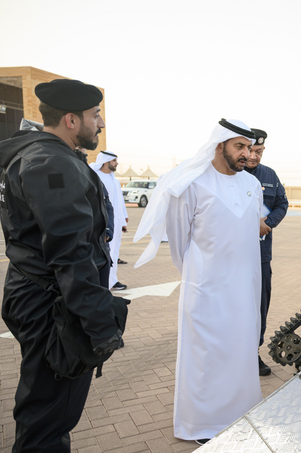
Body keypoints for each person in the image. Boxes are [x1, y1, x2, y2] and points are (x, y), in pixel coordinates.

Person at [0, 79, 122, 452]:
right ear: (71, 119)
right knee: (49, 418)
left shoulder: (44, 155)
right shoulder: (51, 162)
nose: (99, 123)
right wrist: (100, 325)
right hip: (53, 307)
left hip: (43, 297)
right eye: (94, 115)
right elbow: (70, 252)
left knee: (45, 408)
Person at [133, 119, 263, 445]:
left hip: (246, 288)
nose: (246, 153)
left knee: (241, 350)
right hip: (206, 289)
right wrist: (198, 276)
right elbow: (180, 242)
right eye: (239, 146)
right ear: (219, 146)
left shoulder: (253, 184)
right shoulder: (192, 184)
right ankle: (202, 425)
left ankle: (241, 416)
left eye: (249, 147)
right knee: (205, 357)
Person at [244, 128, 288, 376]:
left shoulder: (269, 175)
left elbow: (282, 203)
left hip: (261, 255)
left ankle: (253, 352)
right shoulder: (230, 174)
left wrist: (268, 223)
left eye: (258, 151)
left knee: (260, 305)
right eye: (250, 150)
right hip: (235, 256)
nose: (253, 156)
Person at [90, 151, 129, 290]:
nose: (117, 163)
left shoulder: (115, 180)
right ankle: (103, 282)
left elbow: (120, 200)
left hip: (116, 221)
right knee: (104, 253)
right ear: (106, 162)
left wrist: (123, 220)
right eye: (114, 161)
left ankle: (112, 280)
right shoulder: (95, 177)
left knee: (115, 251)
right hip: (103, 221)